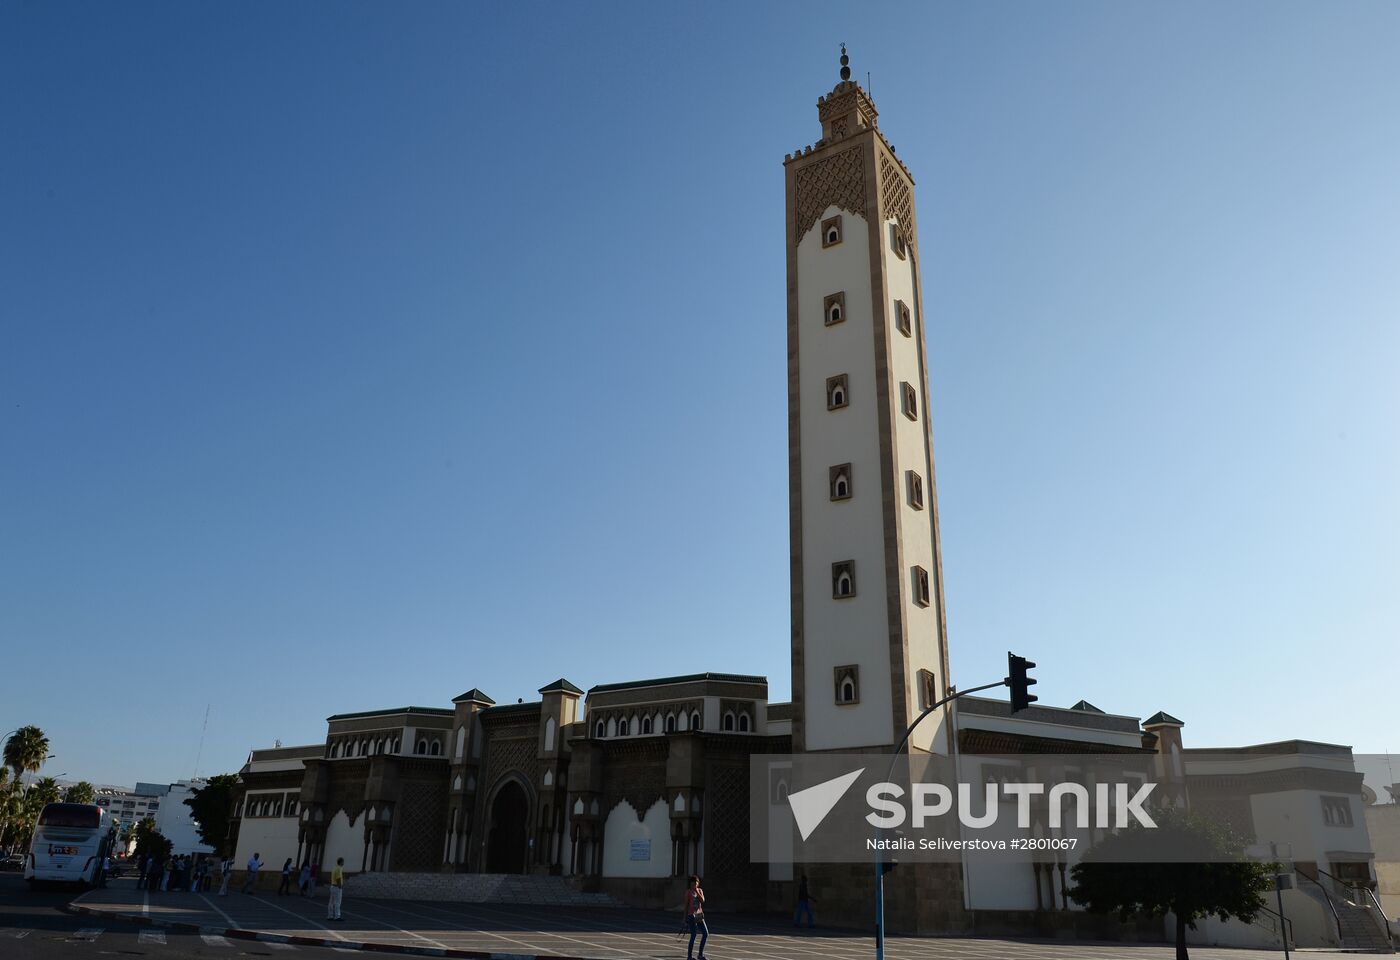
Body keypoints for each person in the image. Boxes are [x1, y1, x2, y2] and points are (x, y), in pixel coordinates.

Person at [684, 875, 707, 960]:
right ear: (690, 884)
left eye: (695, 883)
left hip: (699, 915)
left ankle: (700, 954)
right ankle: (689, 957)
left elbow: (703, 900)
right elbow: (686, 906)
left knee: (705, 933)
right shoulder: (688, 892)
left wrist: (697, 892)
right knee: (693, 935)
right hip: (691, 915)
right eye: (692, 884)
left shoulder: (700, 891)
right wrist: (684, 917)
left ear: (698, 884)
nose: (693, 885)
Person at [326, 857, 345, 921]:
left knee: (331, 902)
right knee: (337, 902)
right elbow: (338, 878)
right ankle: (337, 916)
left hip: (332, 886)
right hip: (337, 887)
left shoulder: (334, 868)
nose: (343, 863)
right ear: (341, 862)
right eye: (343, 862)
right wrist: (340, 886)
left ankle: (330, 915)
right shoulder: (339, 868)